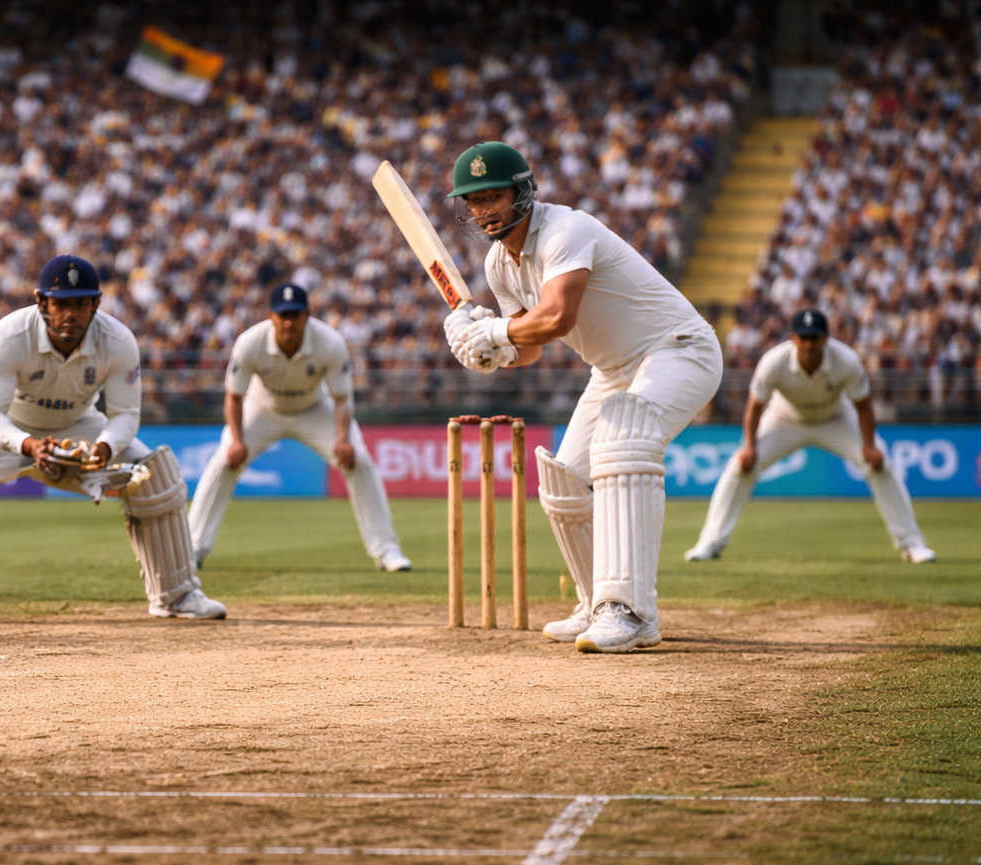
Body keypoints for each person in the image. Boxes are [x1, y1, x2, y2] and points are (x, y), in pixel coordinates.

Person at [442, 141, 723, 654]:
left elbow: (556, 318)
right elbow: (529, 348)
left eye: (493, 196)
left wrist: (498, 332)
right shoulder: (499, 264)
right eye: (473, 201)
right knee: (565, 477)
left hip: (677, 350)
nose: (483, 210)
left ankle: (632, 612)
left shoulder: (565, 231)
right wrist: (490, 348)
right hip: (613, 369)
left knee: (624, 445)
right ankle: (596, 601)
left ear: (522, 191)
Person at [0, 254, 226, 623]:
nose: (71, 314)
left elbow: (126, 415)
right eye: (61, 304)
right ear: (41, 301)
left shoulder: (117, 340)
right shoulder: (9, 335)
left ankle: (176, 596)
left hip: (77, 425)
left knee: (154, 473)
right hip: (1, 424)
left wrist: (105, 447)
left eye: (81, 304)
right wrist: (29, 445)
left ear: (96, 303)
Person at [187, 283, 411, 571]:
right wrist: (237, 440)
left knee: (360, 461)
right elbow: (234, 397)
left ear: (307, 315)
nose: (289, 322)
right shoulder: (249, 342)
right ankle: (192, 549)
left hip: (315, 408)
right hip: (261, 408)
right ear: (270, 316)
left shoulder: (330, 342)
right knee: (223, 462)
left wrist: (343, 439)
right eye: (283, 315)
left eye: (295, 314)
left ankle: (386, 551)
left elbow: (342, 399)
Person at [686, 309, 936, 563]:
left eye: (814, 338)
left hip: (836, 417)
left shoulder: (846, 360)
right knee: (740, 466)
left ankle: (912, 545)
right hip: (784, 418)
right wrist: (749, 447)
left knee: (881, 465)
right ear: (793, 338)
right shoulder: (774, 361)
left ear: (825, 338)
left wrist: (870, 446)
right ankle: (710, 543)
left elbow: (863, 406)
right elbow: (754, 408)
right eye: (803, 338)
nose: (808, 344)